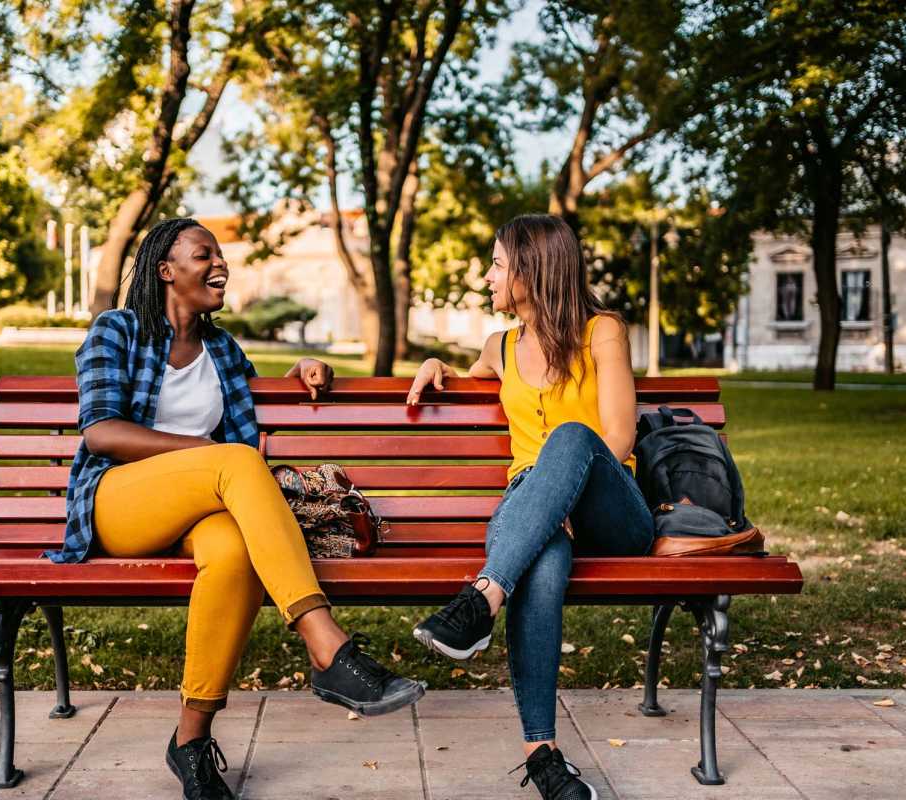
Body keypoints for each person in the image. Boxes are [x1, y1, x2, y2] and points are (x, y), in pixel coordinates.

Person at [55, 217, 424, 800]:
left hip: (196, 512)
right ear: (166, 270)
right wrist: (207, 454)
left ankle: (191, 742)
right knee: (235, 462)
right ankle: (327, 645)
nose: (219, 265)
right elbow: (101, 432)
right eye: (204, 255)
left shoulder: (222, 348)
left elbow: (239, 425)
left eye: (221, 255)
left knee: (232, 552)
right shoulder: (117, 330)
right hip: (119, 504)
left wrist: (298, 372)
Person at [405, 214, 653, 800]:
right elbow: (466, 380)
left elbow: (617, 438)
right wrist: (438, 366)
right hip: (534, 512)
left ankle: (482, 598)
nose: (486, 276)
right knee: (541, 561)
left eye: (496, 263)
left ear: (532, 269)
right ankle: (541, 754)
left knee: (570, 436)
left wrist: (564, 493)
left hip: (610, 506)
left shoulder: (603, 332)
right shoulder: (500, 345)